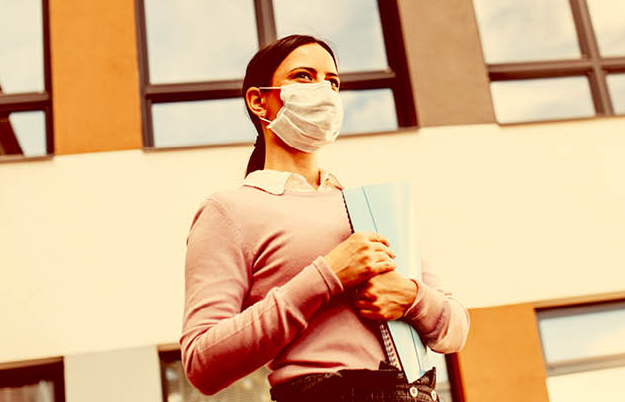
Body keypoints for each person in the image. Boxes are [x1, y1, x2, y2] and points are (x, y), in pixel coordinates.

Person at [180, 34, 469, 402]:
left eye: (332, 81)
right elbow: (202, 363)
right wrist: (326, 276)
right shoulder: (230, 210)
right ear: (258, 100)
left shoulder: (373, 207)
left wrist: (412, 298)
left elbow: (456, 331)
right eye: (304, 76)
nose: (324, 90)